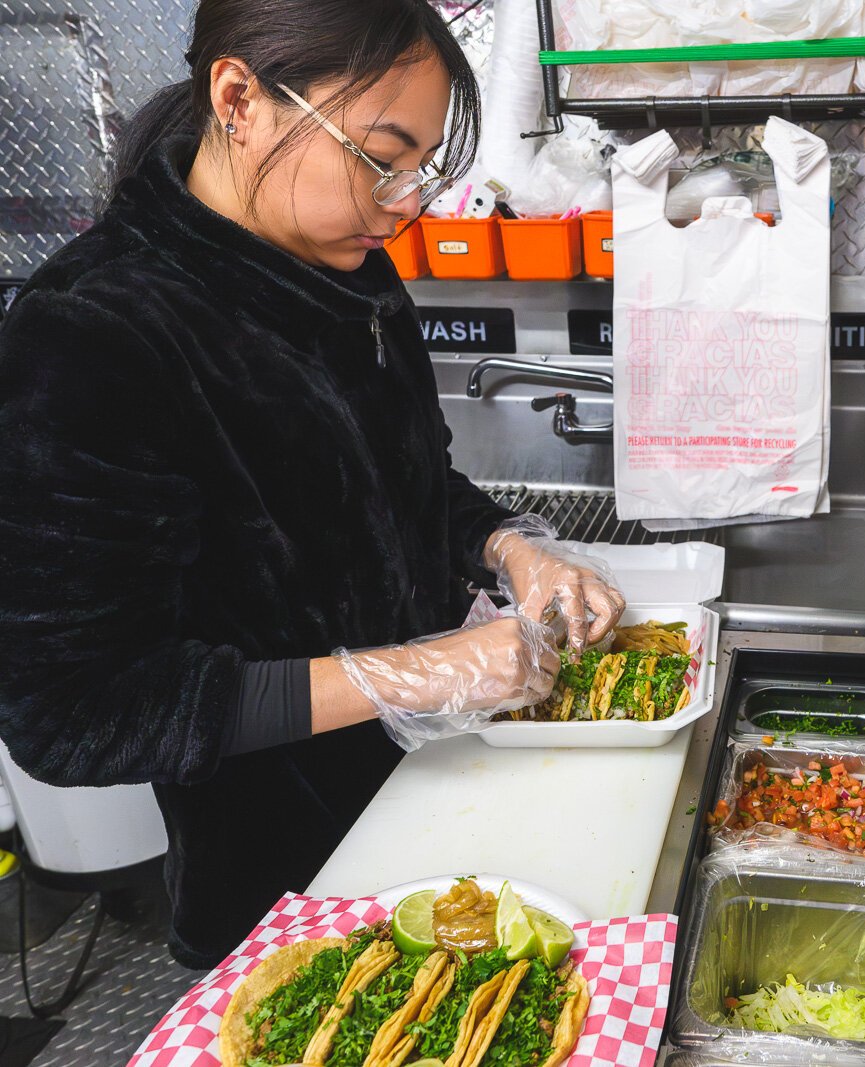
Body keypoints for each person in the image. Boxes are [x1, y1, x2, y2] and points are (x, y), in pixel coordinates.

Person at [0, 0, 623, 968]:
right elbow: (72, 711)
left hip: (444, 806)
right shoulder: (89, 336)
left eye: (419, 167)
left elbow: (408, 489)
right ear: (240, 97)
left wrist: (509, 546)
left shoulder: (348, 267)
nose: (407, 200)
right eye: (383, 157)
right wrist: (404, 673)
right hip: (290, 905)